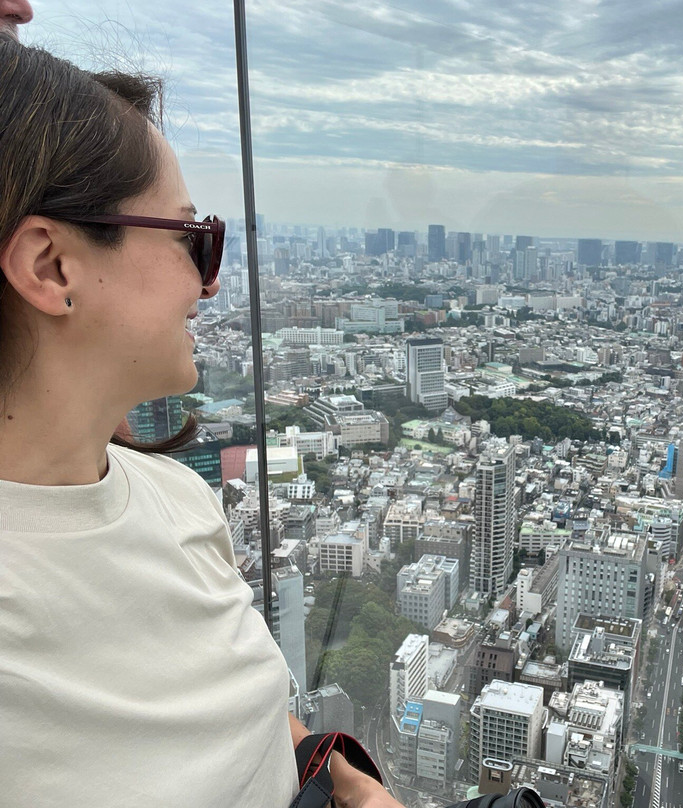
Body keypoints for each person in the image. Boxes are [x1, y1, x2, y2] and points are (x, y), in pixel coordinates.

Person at [0, 40, 401, 808]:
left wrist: (339, 774)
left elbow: (229, 715)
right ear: (51, 266)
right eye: (191, 238)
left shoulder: (178, 496)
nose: (209, 283)